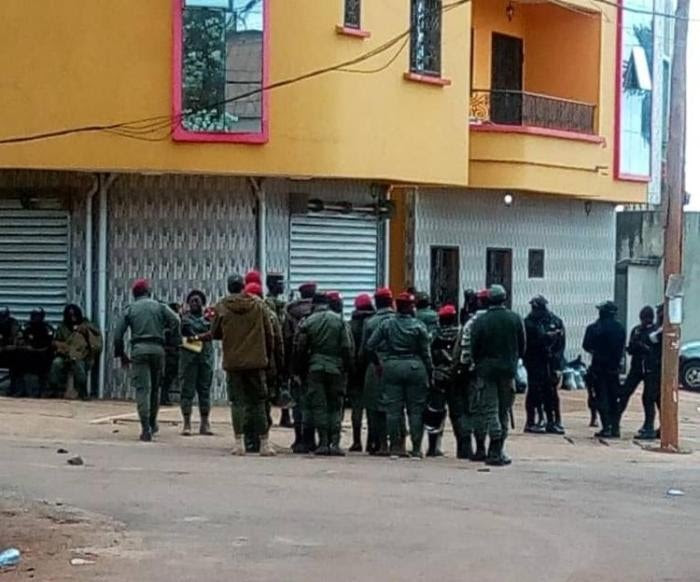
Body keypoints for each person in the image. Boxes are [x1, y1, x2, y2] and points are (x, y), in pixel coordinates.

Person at [213, 274, 275, 456]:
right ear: (243, 286)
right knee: (258, 402)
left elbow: (215, 332)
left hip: (233, 362)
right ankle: (264, 444)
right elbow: (269, 333)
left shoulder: (222, 306)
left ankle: (239, 443)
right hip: (256, 361)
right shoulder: (258, 305)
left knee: (238, 403)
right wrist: (267, 356)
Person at [114, 279, 181, 442]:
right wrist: (172, 337)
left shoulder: (130, 309)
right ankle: (152, 423)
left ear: (134, 294)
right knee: (155, 389)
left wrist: (121, 354)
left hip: (139, 349)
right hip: (158, 350)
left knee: (143, 390)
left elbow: (118, 335)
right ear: (148, 292)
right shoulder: (159, 306)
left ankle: (145, 429)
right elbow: (177, 320)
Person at [368, 292, 432, 458]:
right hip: (415, 368)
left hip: (392, 367)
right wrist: (430, 372)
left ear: (397, 306)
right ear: (411, 307)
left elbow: (370, 345)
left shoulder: (386, 325)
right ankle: (417, 448)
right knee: (416, 410)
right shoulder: (419, 326)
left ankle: (396, 447)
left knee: (393, 410)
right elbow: (426, 353)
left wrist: (378, 364)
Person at [470, 285, 526, 466]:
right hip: (508, 371)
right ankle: (498, 448)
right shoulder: (515, 318)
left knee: (490, 409)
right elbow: (523, 345)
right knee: (504, 409)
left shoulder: (481, 321)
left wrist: (480, 364)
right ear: (504, 298)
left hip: (486, 371)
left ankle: (493, 447)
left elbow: (474, 347)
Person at [294, 292, 352, 455]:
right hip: (336, 369)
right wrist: (347, 368)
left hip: (315, 368)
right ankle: (335, 443)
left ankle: (323, 442)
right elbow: (347, 348)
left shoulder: (308, 322)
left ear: (314, 304)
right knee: (335, 407)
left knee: (319, 406)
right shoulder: (339, 321)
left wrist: (299, 370)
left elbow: (300, 348)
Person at [244, 279, 285, 452]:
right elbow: (278, 343)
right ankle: (262, 438)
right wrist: (281, 366)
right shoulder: (270, 315)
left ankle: (248, 440)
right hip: (266, 364)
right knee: (262, 402)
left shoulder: (239, 314)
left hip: (243, 365)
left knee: (247, 402)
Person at [451, 289, 490, 460]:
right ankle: (496, 447)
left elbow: (463, 350)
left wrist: (459, 369)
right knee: (495, 411)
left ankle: (475, 447)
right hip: (498, 373)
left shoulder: (471, 323)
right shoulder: (510, 318)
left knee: (472, 410)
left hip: (474, 373)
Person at [523, 295, 566, 435]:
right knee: (534, 392)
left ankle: (553, 421)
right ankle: (532, 421)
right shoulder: (528, 323)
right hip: (534, 362)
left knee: (551, 393)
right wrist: (546, 338)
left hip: (550, 362)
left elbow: (561, 345)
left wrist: (558, 364)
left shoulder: (555, 321)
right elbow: (527, 344)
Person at [583, 301, 626, 438]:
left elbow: (586, 345)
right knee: (614, 399)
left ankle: (606, 426)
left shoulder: (595, 328)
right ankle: (615, 427)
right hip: (614, 369)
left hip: (599, 368)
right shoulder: (619, 328)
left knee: (601, 398)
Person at [361, 287, 395, 456]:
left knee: (374, 406)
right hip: (396, 364)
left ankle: (378, 442)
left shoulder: (370, 322)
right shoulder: (401, 320)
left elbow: (364, 349)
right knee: (395, 405)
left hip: (376, 366)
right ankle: (397, 442)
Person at [283, 281, 317, 453]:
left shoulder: (290, 313)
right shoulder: (320, 311)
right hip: (314, 364)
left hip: (295, 364)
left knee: (297, 402)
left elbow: (287, 340)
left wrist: (289, 366)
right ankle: (311, 438)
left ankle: (299, 439)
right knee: (313, 402)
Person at [425, 304, 460, 457]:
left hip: (438, 378)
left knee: (435, 413)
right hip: (457, 377)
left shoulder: (433, 334)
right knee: (458, 413)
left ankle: (433, 447)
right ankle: (463, 447)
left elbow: (427, 354)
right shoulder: (461, 332)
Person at [179, 290, 215, 436]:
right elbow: (186, 330)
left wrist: (197, 334)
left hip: (204, 359)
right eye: (192, 300)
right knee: (187, 391)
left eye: (197, 300)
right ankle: (187, 423)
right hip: (189, 360)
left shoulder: (209, 319)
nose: (195, 303)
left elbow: (212, 331)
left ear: (202, 303)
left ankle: (205, 422)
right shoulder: (184, 319)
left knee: (204, 391)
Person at [49, 304, 102, 400]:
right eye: (70, 316)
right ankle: (56, 390)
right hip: (65, 354)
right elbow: (57, 341)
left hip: (82, 356)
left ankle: (83, 392)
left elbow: (96, 345)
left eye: (74, 315)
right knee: (56, 363)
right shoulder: (63, 327)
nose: (73, 318)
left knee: (78, 365)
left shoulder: (87, 326)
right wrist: (61, 346)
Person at [617, 306, 655, 428]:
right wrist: (634, 347)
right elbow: (631, 347)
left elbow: (655, 351)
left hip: (650, 368)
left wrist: (644, 347)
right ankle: (615, 420)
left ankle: (648, 425)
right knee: (625, 392)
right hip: (636, 367)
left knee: (649, 398)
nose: (644, 321)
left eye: (647, 319)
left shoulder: (654, 332)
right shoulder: (637, 330)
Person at [348, 293, 375, 452]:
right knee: (372, 407)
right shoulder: (374, 323)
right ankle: (371, 441)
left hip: (355, 370)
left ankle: (356, 441)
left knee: (356, 408)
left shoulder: (350, 325)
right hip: (371, 368)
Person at [266, 272, 292, 428]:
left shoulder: (280, 303)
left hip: (283, 347)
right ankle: (269, 415)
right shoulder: (269, 303)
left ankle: (285, 415)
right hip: (274, 348)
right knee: (271, 383)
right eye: (280, 283)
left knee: (284, 382)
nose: (283, 286)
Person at [636, 305, 663, 440]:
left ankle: (649, 428)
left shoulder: (663, 330)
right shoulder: (659, 328)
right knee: (657, 399)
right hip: (653, 368)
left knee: (649, 398)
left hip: (655, 369)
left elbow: (650, 339)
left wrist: (642, 342)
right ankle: (662, 427)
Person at [17, 308, 55, 398]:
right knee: (17, 359)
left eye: (38, 316)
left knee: (46, 362)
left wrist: (40, 350)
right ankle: (19, 389)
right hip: (28, 353)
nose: (35, 318)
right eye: (34, 316)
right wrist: (25, 346)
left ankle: (44, 390)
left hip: (43, 354)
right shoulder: (26, 327)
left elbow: (50, 344)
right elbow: (20, 340)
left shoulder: (47, 328)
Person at [160, 302, 182, 407]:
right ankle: (164, 398)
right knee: (168, 377)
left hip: (171, 352)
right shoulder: (172, 324)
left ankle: (164, 398)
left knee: (168, 377)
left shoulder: (167, 323)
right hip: (170, 353)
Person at [0, 307, 21, 396]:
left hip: (9, 354)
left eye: (4, 317)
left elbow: (15, 343)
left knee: (17, 362)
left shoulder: (13, 323)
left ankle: (14, 389)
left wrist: (7, 347)